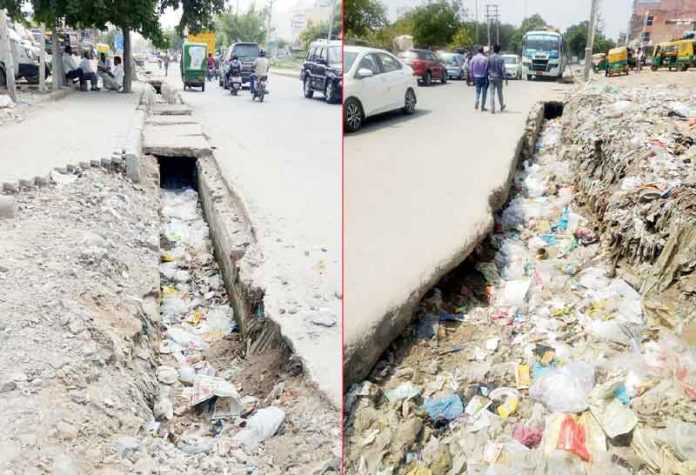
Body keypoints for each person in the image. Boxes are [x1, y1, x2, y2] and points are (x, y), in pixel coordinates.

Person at [487, 44, 506, 114]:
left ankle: (492, 108)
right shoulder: (501, 58)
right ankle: (501, 106)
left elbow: (487, 67)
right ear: (499, 50)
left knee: (492, 93)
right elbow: (503, 69)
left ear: (493, 49)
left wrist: (487, 75)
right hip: (499, 78)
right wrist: (505, 78)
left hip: (491, 78)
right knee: (500, 93)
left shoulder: (489, 57)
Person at [469, 47, 488, 111]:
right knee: (484, 92)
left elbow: (471, 68)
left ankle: (477, 100)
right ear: (483, 51)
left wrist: (471, 76)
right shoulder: (485, 58)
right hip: (484, 77)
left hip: (476, 77)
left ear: (477, 51)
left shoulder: (473, 58)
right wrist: (486, 75)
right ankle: (483, 107)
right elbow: (486, 69)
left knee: (477, 91)